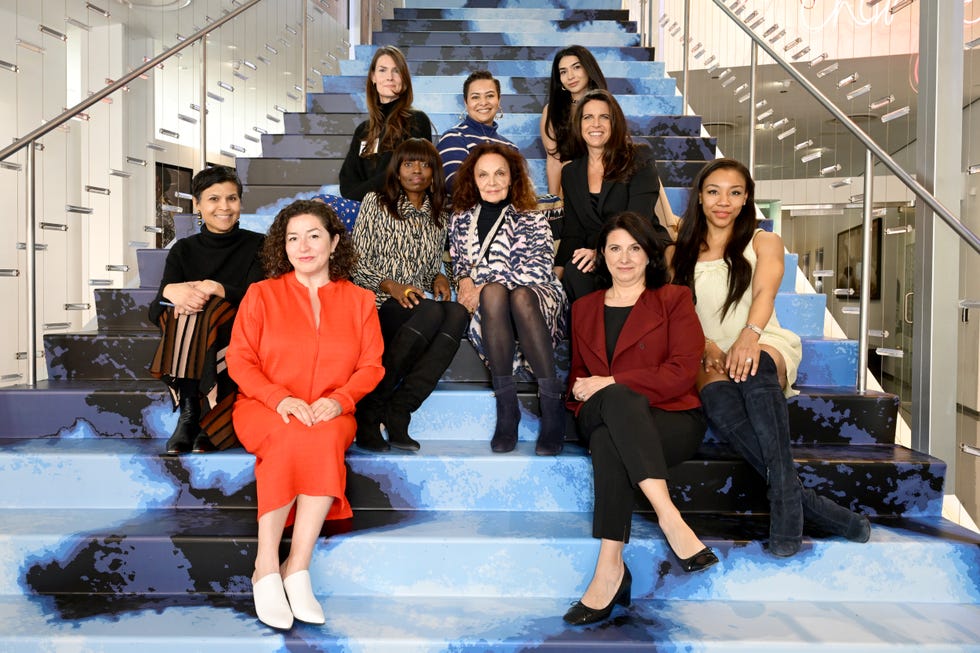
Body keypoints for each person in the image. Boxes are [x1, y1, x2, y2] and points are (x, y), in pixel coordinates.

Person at [670, 158, 871, 557]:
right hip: (706, 350)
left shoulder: (763, 241)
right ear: (700, 198)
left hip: (763, 337)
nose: (723, 201)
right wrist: (708, 344)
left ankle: (783, 501)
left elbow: (763, 294)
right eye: (713, 192)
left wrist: (749, 336)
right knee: (718, 399)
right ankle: (803, 501)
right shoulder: (678, 252)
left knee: (756, 365)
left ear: (747, 199)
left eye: (734, 192)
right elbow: (680, 310)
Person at [226, 200, 384, 629]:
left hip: (332, 409)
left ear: (333, 242)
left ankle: (297, 566)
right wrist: (279, 399)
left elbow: (371, 366)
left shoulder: (360, 300)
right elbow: (240, 361)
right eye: (293, 238)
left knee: (321, 437)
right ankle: (265, 565)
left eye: (313, 235)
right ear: (283, 246)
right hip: (264, 406)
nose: (303, 246)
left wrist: (340, 399)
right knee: (292, 436)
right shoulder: (262, 294)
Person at [563, 212, 716, 626]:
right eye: (615, 248)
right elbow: (580, 375)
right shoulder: (583, 308)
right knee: (615, 402)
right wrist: (585, 387)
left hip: (670, 419)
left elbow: (682, 373)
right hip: (598, 411)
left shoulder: (674, 300)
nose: (624, 258)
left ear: (649, 255)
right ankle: (670, 517)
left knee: (612, 435)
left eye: (634, 248)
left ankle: (609, 567)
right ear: (602, 255)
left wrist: (610, 381)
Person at [448, 142, 567, 455]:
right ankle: (507, 405)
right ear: (472, 180)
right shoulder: (460, 218)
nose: (492, 181)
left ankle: (552, 406)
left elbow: (538, 269)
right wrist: (463, 280)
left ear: (512, 177)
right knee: (495, 293)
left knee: (519, 297)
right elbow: (461, 264)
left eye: (499, 173)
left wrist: (482, 283)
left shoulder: (532, 214)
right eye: (483, 175)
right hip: (491, 303)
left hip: (537, 295)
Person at [351, 138, 469, 452]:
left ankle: (400, 407)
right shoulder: (376, 202)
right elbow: (356, 262)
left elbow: (431, 265)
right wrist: (392, 286)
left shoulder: (438, 214)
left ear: (434, 172)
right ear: (397, 170)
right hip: (378, 301)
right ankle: (371, 408)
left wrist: (441, 276)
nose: (417, 170)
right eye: (408, 163)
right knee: (430, 311)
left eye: (425, 164)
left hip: (417, 306)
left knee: (457, 313)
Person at [149, 166, 265, 454]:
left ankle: (190, 416)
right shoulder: (183, 250)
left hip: (239, 332)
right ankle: (197, 414)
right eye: (213, 199)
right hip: (195, 336)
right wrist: (168, 291)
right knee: (186, 309)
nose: (224, 207)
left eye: (232, 198)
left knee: (204, 308)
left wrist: (217, 289)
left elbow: (259, 300)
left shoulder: (259, 245)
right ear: (198, 204)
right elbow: (155, 313)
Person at [557, 88, 670, 303]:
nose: (596, 124)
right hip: (594, 253)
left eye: (604, 117)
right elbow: (573, 229)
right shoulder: (570, 172)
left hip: (638, 246)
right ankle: (593, 336)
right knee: (575, 271)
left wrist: (603, 252)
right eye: (588, 117)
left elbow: (639, 219)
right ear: (579, 124)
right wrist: (557, 272)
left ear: (614, 123)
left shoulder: (639, 157)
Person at [339, 46, 433, 203]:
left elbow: (403, 174)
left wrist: (364, 196)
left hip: (399, 207)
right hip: (364, 208)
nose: (389, 77)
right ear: (373, 77)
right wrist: (366, 200)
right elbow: (347, 183)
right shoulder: (363, 130)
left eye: (396, 71)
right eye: (382, 70)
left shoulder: (416, 120)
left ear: (404, 79)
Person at [539, 45, 607, 196]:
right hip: (573, 186)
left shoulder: (608, 106)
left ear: (588, 69)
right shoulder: (551, 111)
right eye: (563, 72)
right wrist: (554, 201)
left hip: (607, 180)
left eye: (576, 67)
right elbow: (554, 160)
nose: (570, 76)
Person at [437, 70, 518, 193]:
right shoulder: (453, 138)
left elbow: (520, 190)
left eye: (490, 96)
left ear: (499, 100)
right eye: (475, 97)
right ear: (466, 102)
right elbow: (457, 186)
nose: (483, 102)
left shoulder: (511, 147)